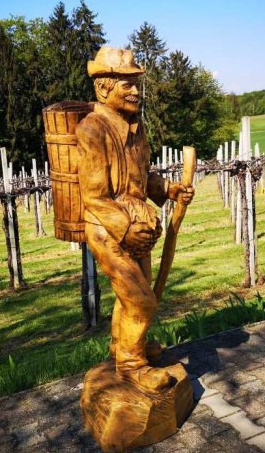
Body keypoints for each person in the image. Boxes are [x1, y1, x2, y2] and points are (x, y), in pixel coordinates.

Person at [76, 47, 194, 393]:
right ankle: (131, 365)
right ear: (103, 89)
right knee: (141, 300)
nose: (136, 91)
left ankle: (124, 346)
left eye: (136, 84)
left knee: (129, 295)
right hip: (107, 228)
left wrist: (168, 190)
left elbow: (140, 177)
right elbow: (94, 196)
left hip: (137, 226)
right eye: (127, 85)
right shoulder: (92, 129)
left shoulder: (135, 129)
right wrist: (126, 229)